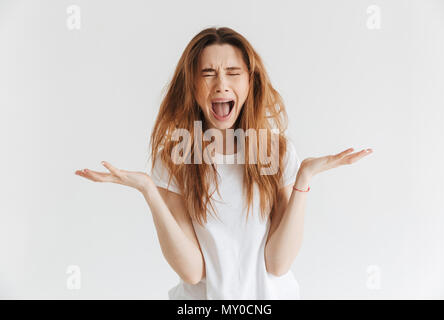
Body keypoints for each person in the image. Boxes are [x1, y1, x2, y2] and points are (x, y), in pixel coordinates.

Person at [75, 27, 373, 299]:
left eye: (233, 72)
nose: (221, 84)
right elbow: (192, 272)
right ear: (192, 84)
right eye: (208, 73)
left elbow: (278, 263)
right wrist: (149, 191)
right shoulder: (176, 158)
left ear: (249, 80)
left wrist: (303, 178)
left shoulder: (276, 152)